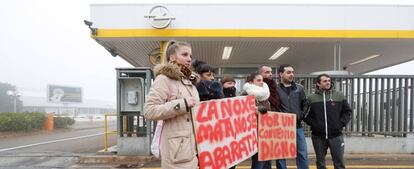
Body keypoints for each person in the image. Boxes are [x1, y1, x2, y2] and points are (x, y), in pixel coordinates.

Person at [143, 40, 200, 169]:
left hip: (193, 150)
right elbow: (149, 110)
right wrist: (182, 104)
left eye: (190, 56)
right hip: (176, 153)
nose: (189, 59)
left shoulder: (189, 82)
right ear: (172, 57)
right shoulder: (164, 79)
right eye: (185, 55)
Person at [305, 74, 351, 169]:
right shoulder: (311, 98)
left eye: (329, 81)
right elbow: (305, 114)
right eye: (325, 81)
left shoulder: (339, 95)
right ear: (318, 83)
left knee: (339, 163)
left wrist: (341, 123)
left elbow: (347, 111)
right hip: (318, 136)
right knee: (320, 163)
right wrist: (314, 124)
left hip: (336, 135)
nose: (328, 82)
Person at [276, 64, 310, 169]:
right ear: (281, 74)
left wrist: (301, 116)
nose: (292, 74)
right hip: (281, 126)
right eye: (288, 72)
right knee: (281, 154)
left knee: (302, 153)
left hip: (297, 126)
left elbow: (305, 104)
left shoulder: (299, 88)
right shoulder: (275, 89)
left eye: (292, 72)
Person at [242, 73, 272, 169]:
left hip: (266, 132)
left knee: (266, 160)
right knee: (259, 160)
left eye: (262, 80)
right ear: (251, 82)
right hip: (253, 133)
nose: (261, 82)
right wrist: (253, 110)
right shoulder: (245, 95)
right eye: (258, 80)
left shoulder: (265, 96)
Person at [258, 65, 285, 169]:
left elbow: (277, 103)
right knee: (260, 159)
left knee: (268, 154)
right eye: (267, 72)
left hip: (272, 124)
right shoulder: (256, 88)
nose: (270, 74)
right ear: (260, 74)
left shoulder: (274, 87)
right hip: (259, 126)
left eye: (271, 72)